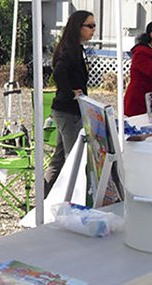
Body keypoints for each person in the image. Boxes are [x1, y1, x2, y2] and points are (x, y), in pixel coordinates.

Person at [43, 10, 94, 197]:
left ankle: (46, 196)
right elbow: (58, 73)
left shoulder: (77, 48)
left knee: (59, 157)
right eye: (89, 26)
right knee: (74, 157)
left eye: (94, 25)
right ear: (77, 27)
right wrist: (70, 91)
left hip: (72, 111)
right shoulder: (69, 49)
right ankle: (68, 197)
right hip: (68, 111)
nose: (93, 30)